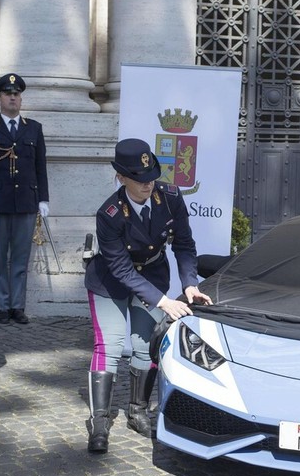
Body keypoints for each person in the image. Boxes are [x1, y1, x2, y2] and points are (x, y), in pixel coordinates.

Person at [82, 138, 212, 453]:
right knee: (110, 346)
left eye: (151, 175)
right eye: (139, 178)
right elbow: (122, 269)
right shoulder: (109, 213)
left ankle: (137, 410)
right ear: (121, 177)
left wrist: (189, 282)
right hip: (110, 281)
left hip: (152, 274)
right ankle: (100, 419)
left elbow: (184, 243)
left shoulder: (170, 197)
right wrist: (164, 301)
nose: (147, 183)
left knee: (146, 346)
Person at [0, 73, 49, 325]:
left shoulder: (34, 128)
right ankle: (2, 306)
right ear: (0, 98)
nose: (13, 98)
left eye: (16, 94)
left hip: (26, 202)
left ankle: (18, 306)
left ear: (21, 98)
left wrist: (43, 199)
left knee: (20, 258)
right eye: (8, 94)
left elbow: (40, 166)